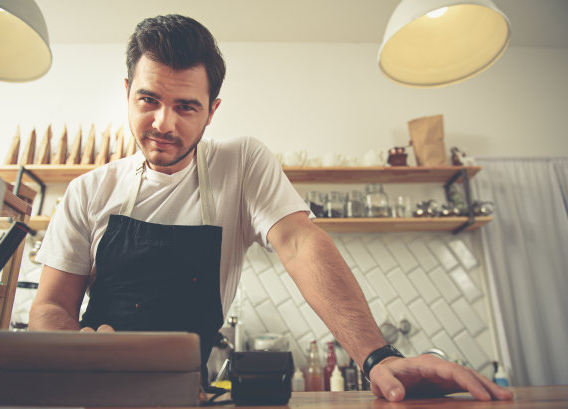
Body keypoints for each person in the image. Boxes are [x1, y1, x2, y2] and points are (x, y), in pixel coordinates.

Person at [29, 14, 513, 402]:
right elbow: (51, 305)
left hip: (186, 393)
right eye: (148, 100)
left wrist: (377, 358)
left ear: (212, 110)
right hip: (89, 392)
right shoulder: (88, 191)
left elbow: (300, 242)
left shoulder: (239, 163)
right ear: (127, 93)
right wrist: (83, 356)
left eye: (186, 107)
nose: (163, 122)